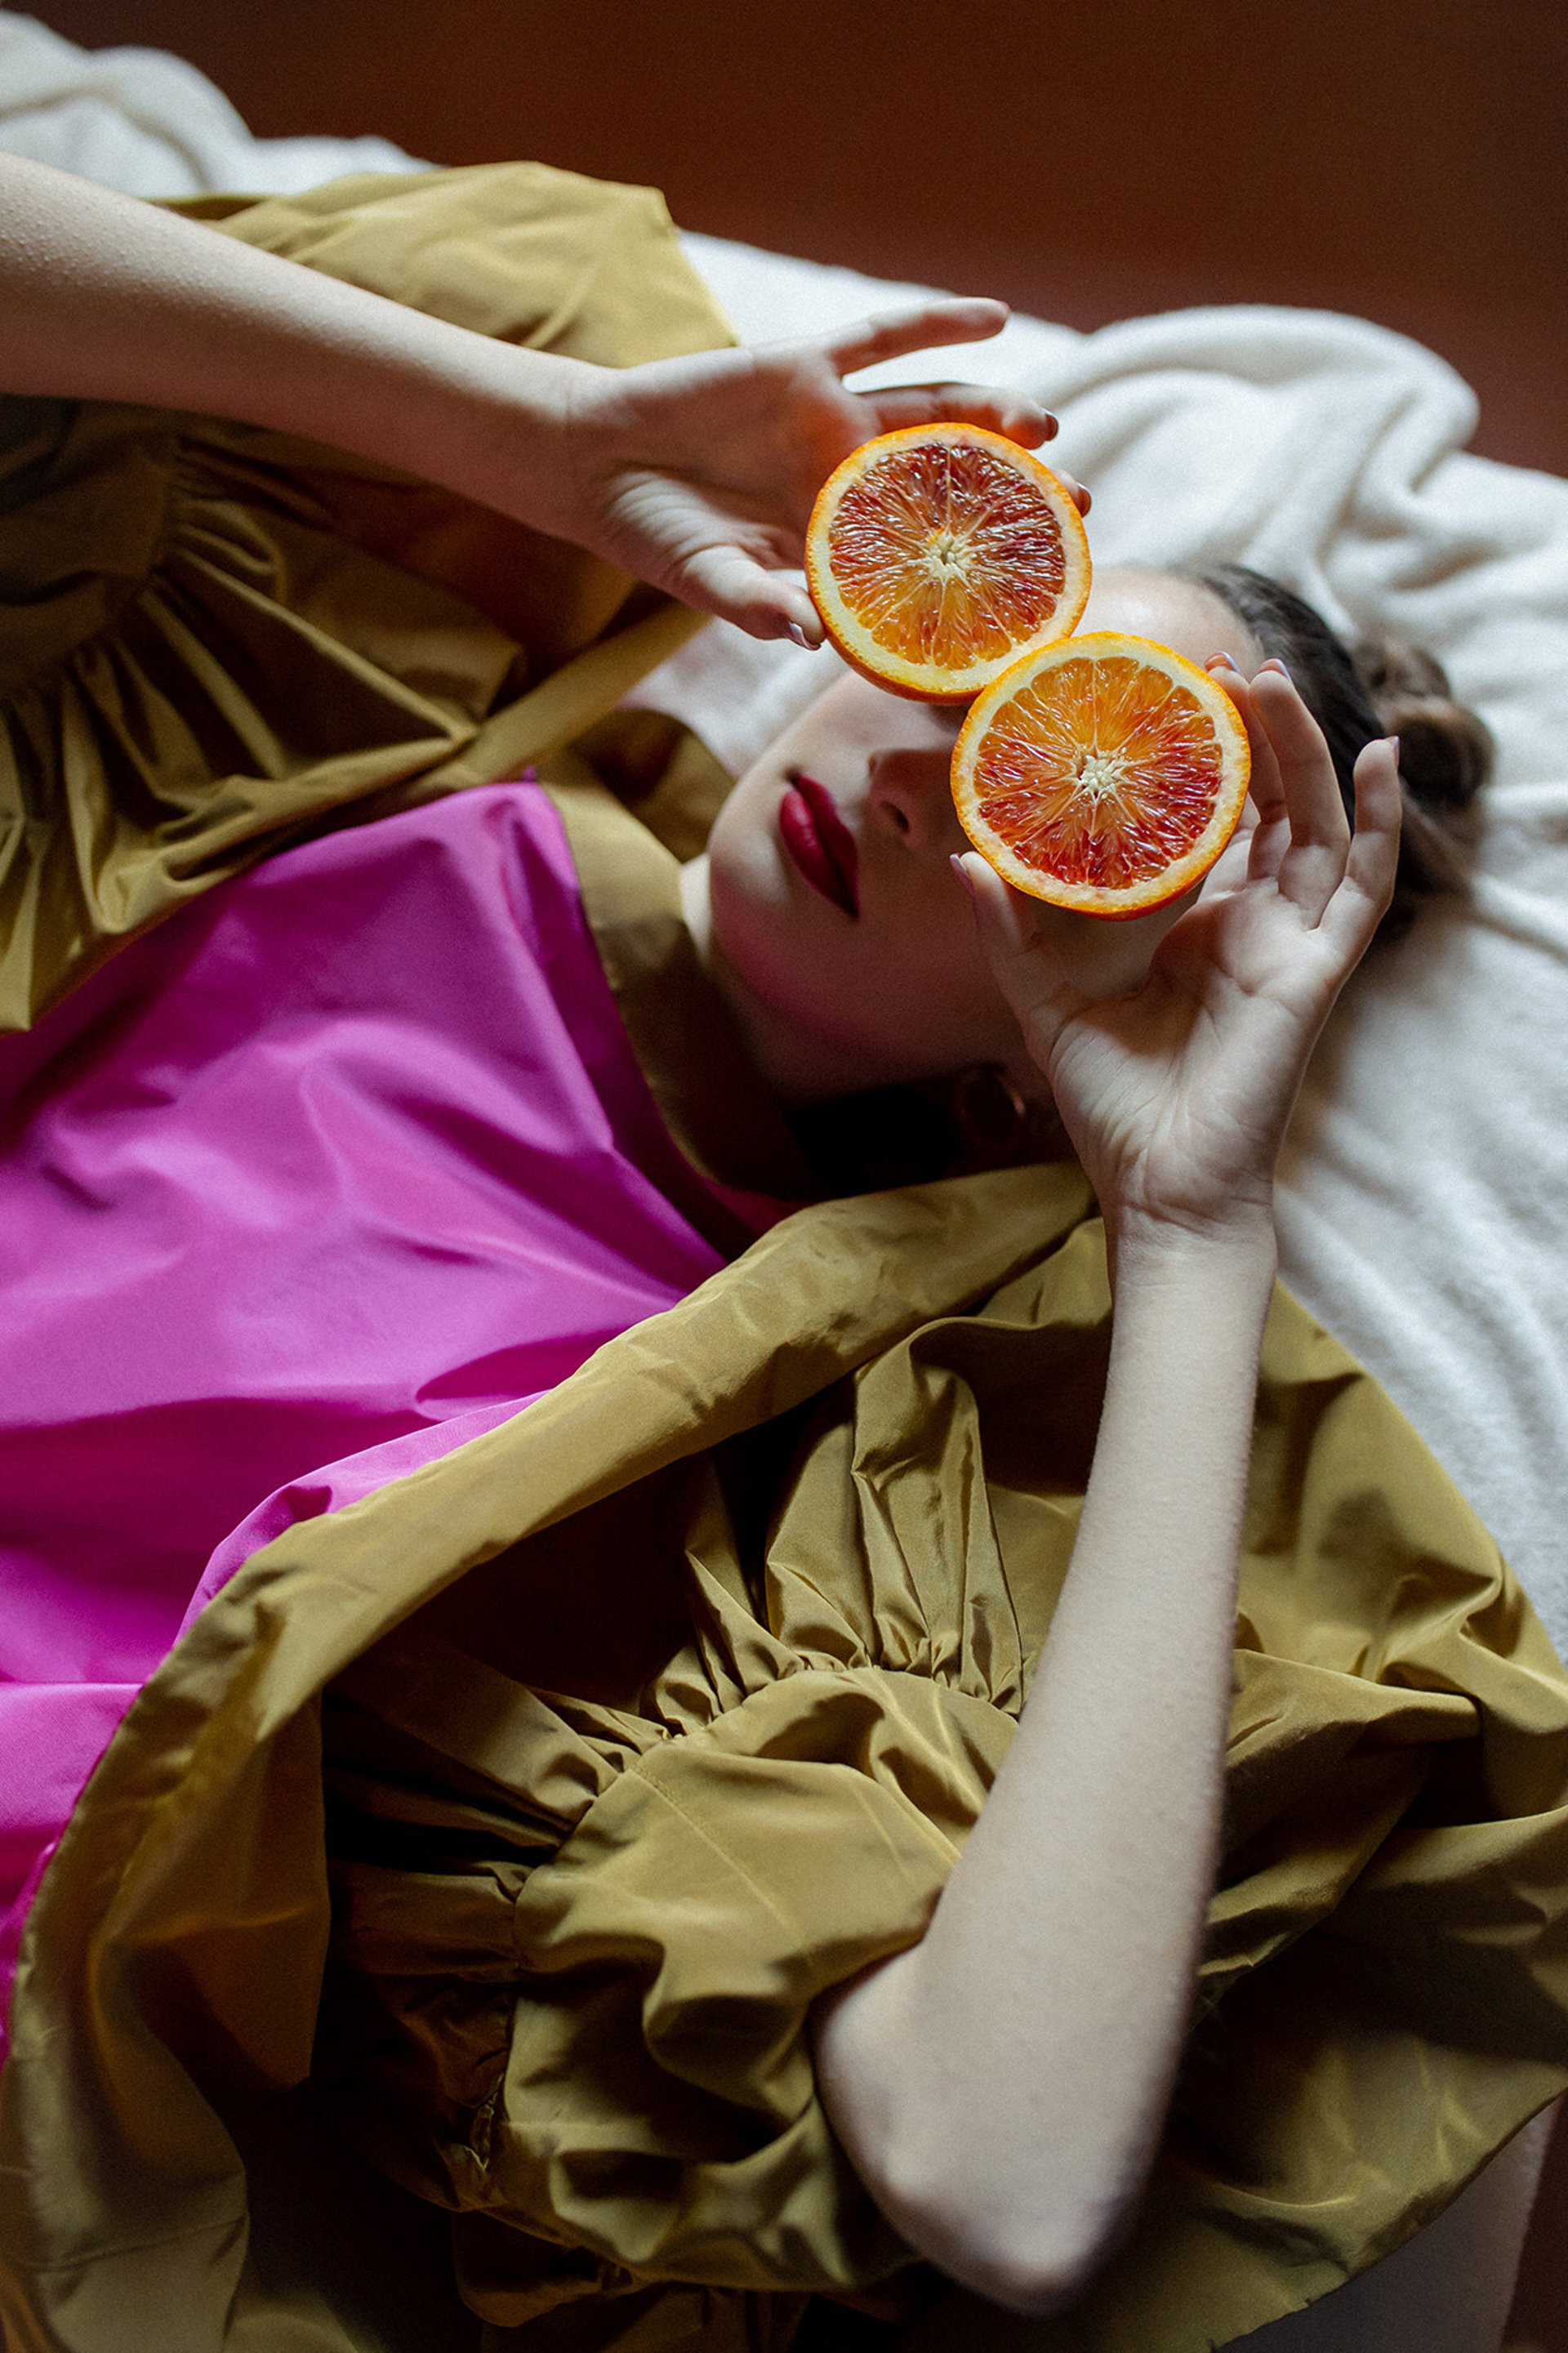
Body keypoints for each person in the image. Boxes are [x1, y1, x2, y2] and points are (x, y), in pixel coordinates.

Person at [0, 152, 1563, 2353]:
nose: (921, 782)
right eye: (981, 666)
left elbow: (1000, 2176)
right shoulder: (364, 697)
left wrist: (1192, 1221)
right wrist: (518, 424)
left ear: (1052, 1059)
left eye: (1066, 821)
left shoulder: (799, 1440)